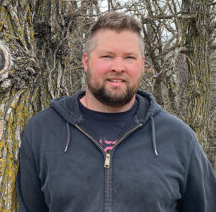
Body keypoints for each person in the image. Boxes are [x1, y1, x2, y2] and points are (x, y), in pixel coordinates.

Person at [17, 12, 216, 212]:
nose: (118, 67)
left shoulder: (179, 139)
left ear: (142, 64)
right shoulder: (42, 132)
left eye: (129, 57)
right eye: (107, 56)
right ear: (86, 62)